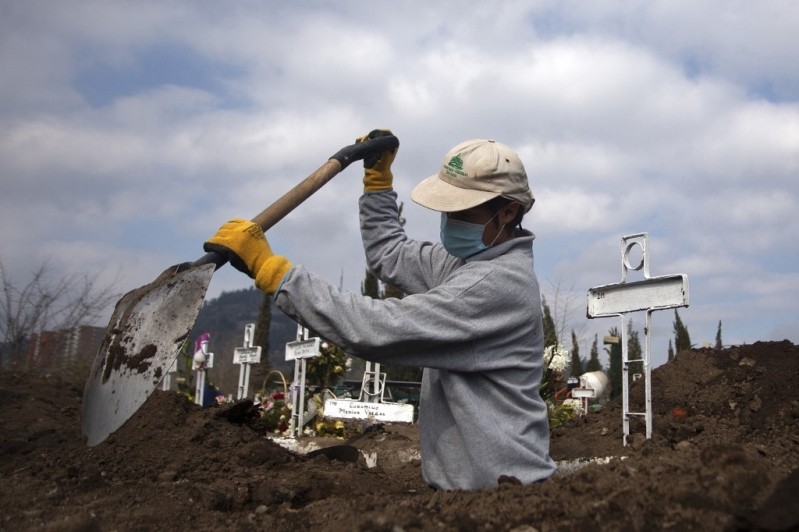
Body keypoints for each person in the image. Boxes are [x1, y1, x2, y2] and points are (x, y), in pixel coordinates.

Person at [204, 130, 557, 490]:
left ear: (508, 211)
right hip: (466, 497)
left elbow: (375, 328)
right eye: (447, 210)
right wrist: (378, 185)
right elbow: (390, 253)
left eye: (462, 211)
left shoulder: (496, 285)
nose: (449, 221)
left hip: (505, 497)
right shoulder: (464, 262)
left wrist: (275, 273)